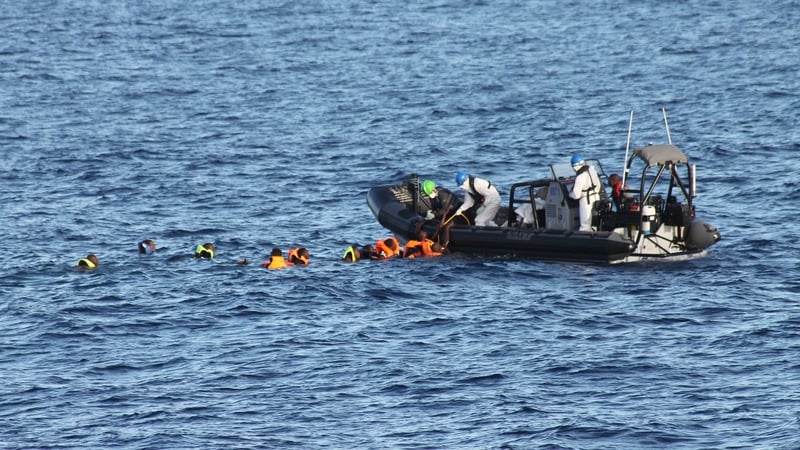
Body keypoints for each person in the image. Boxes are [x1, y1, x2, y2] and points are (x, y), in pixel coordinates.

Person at [569, 154, 602, 231]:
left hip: (586, 201)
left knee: (585, 224)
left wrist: (570, 194)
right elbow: (598, 185)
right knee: (594, 220)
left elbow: (576, 195)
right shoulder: (592, 171)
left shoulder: (580, 177)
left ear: (575, 166)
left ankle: (584, 237)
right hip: (596, 197)